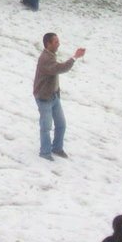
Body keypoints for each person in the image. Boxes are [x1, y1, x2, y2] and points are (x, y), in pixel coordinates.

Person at [32, 32, 85, 160]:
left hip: (54, 96)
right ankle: (45, 153)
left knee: (61, 124)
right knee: (46, 127)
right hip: (44, 98)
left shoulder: (51, 55)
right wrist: (74, 57)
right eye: (55, 42)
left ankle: (57, 148)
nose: (58, 44)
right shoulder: (45, 59)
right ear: (48, 44)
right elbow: (60, 68)